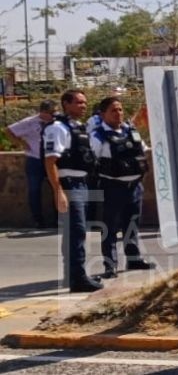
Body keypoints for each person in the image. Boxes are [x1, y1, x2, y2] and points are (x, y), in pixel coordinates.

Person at [43, 89, 103, 293]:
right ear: (66, 104)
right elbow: (51, 161)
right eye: (78, 102)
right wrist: (58, 191)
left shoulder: (78, 127)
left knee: (77, 232)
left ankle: (74, 274)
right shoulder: (58, 128)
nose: (83, 106)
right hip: (69, 184)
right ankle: (78, 279)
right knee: (76, 232)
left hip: (81, 183)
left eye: (85, 103)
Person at [91, 96, 156, 278]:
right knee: (110, 228)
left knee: (132, 225)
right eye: (113, 110)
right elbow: (91, 162)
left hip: (134, 186)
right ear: (103, 114)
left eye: (120, 110)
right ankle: (110, 266)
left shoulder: (130, 131)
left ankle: (133, 258)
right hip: (113, 187)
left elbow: (142, 150)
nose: (118, 114)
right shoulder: (98, 136)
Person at [5, 100, 57, 228]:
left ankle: (59, 218)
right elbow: (8, 130)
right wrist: (22, 143)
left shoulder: (56, 123)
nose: (53, 115)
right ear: (43, 112)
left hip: (51, 158)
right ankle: (38, 220)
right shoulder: (30, 122)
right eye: (51, 112)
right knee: (34, 190)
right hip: (35, 159)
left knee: (56, 188)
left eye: (55, 112)